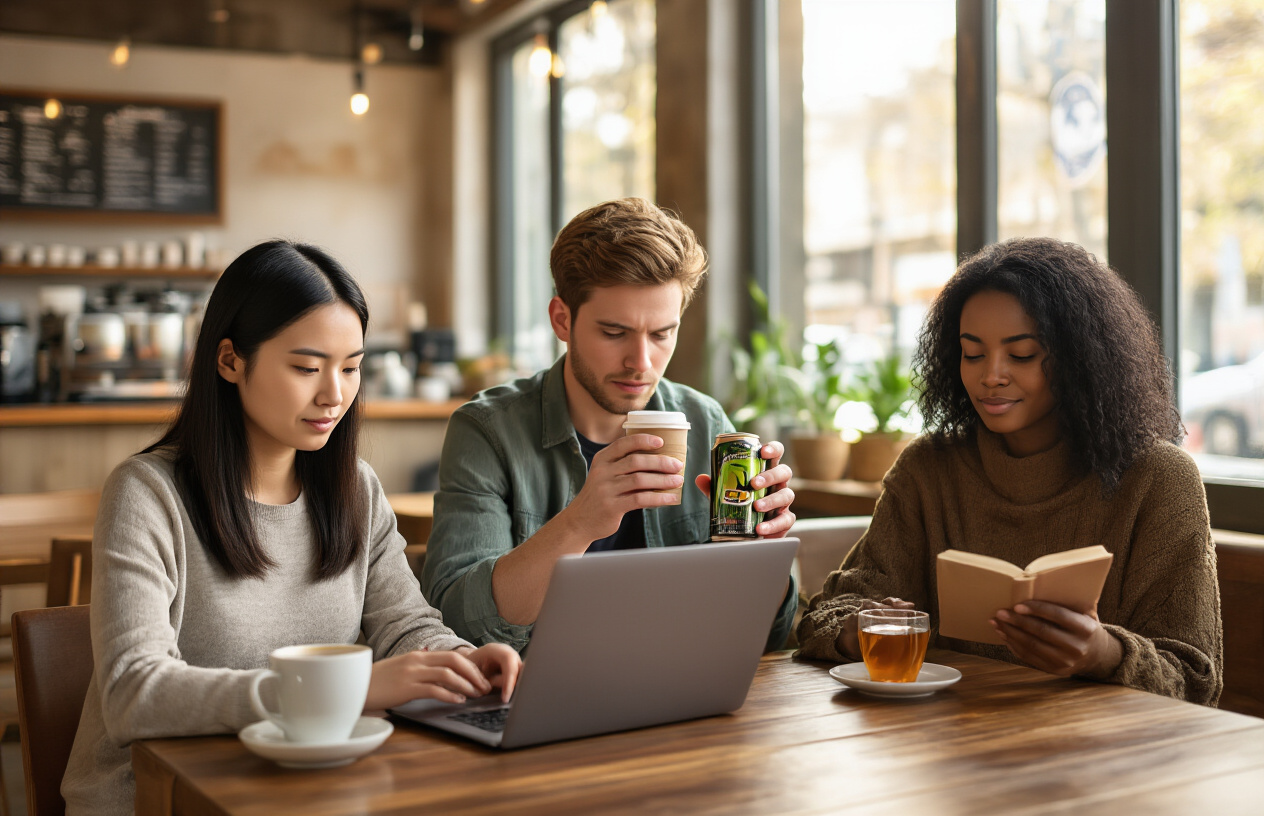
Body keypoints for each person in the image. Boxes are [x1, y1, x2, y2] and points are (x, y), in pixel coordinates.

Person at [62, 241, 521, 815]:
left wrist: (460, 660)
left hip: (312, 789)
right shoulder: (148, 493)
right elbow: (134, 695)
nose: (335, 394)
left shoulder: (355, 488)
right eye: (307, 367)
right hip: (162, 796)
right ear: (229, 360)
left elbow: (405, 625)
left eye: (351, 368)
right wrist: (349, 691)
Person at [796, 237, 1223, 705]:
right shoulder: (928, 470)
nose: (991, 375)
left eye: (1021, 354)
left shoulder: (1159, 479)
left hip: (1107, 758)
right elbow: (826, 616)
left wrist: (1103, 653)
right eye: (972, 354)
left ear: (1081, 359)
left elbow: (1194, 680)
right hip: (951, 747)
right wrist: (853, 632)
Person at [421, 198, 798, 653]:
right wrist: (580, 522)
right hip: (539, 699)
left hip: (676, 692)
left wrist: (761, 557)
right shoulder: (487, 431)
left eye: (662, 334)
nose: (641, 363)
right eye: (614, 333)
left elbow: (772, 637)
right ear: (562, 319)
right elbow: (458, 622)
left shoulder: (703, 421)